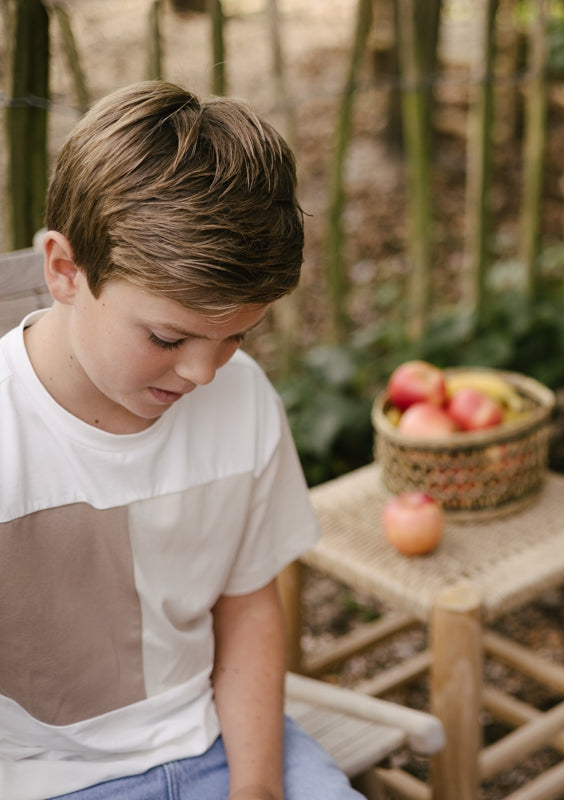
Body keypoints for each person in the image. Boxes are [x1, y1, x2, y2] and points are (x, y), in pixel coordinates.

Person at [0, 82, 362, 800]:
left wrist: (256, 789)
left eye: (235, 336)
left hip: (221, 738)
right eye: (168, 337)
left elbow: (248, 605)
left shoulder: (245, 399)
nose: (203, 372)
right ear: (64, 271)